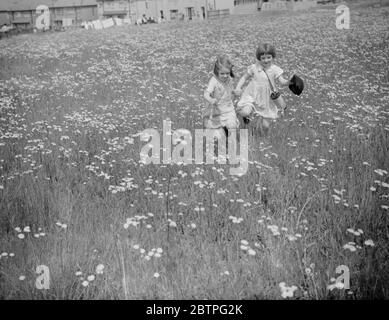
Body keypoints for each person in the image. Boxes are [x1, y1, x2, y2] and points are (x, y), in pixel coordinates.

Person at [234, 43, 291, 135]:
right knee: (245, 112)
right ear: (259, 58)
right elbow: (244, 77)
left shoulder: (275, 69)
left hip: (267, 99)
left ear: (273, 57)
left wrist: (290, 82)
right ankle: (241, 117)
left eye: (269, 57)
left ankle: (264, 138)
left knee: (265, 126)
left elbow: (282, 82)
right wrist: (238, 87)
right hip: (252, 95)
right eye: (263, 58)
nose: (266, 60)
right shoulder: (254, 67)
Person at [203, 56, 239, 138]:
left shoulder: (230, 80)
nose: (225, 76)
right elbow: (206, 94)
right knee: (217, 136)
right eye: (222, 74)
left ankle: (231, 145)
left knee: (232, 125)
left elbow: (230, 93)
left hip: (229, 109)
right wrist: (211, 99)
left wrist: (236, 93)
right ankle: (222, 134)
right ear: (217, 72)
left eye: (227, 73)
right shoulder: (214, 81)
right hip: (217, 112)